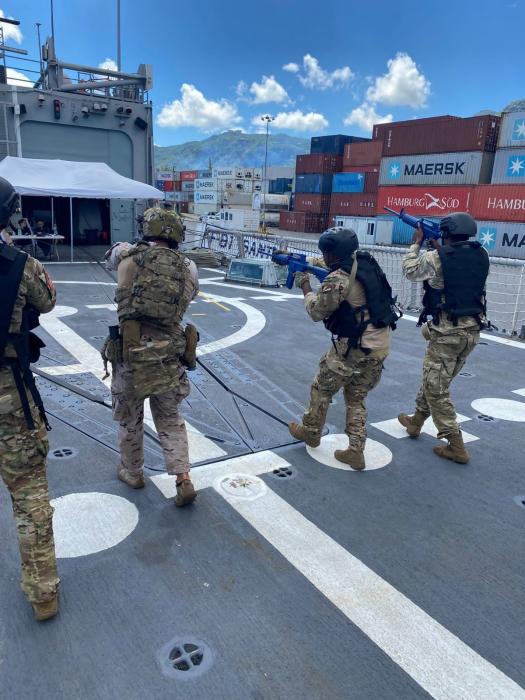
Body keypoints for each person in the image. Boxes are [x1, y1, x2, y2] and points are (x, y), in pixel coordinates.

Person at [104, 207, 199, 506]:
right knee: (170, 418)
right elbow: (191, 295)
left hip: (131, 354)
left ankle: (133, 472)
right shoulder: (188, 268)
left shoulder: (128, 258)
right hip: (169, 355)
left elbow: (111, 259)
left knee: (130, 418)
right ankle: (183, 477)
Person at [289, 228, 398, 470]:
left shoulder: (337, 279)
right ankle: (356, 451)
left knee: (322, 388)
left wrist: (305, 285)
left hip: (354, 348)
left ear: (333, 254)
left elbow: (317, 311)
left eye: (325, 253)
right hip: (379, 346)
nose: (324, 257)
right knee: (356, 397)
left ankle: (310, 432)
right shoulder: (365, 263)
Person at [0, 176, 60, 621]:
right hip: (8, 398)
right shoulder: (18, 264)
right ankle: (42, 594)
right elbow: (49, 299)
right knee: (29, 496)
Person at [397, 213, 489, 464]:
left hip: (447, 333)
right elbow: (459, 273)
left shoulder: (436, 257)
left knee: (435, 388)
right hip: (471, 331)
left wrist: (417, 242)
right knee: (434, 380)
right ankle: (415, 423)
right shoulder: (482, 255)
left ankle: (456, 445)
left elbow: (410, 271)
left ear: (445, 232)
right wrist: (439, 248)